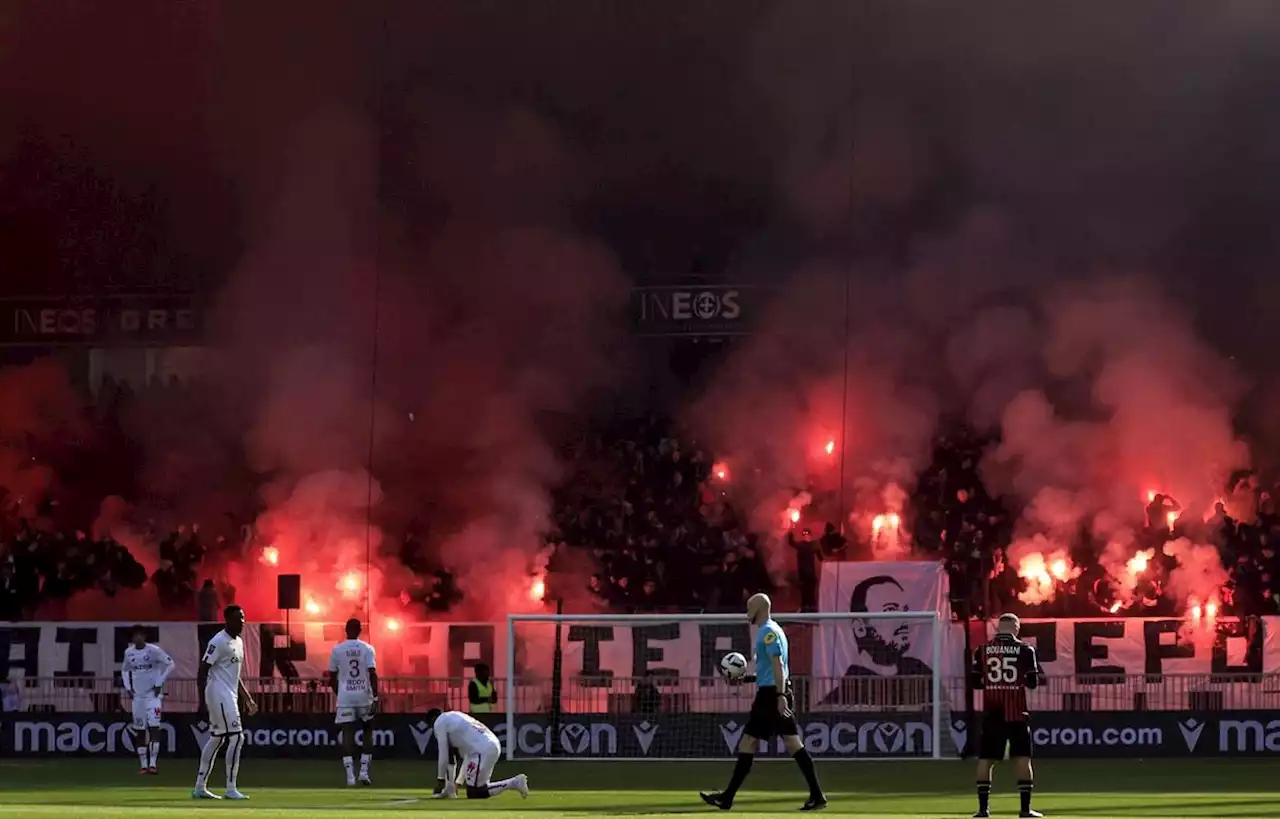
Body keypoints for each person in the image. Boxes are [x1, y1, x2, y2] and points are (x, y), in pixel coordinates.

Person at [700, 592, 825, 812]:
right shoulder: (774, 630)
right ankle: (817, 795)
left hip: (770, 696)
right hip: (775, 691)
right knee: (793, 744)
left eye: (749, 607)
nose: (747, 612)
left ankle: (727, 798)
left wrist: (779, 697)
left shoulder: (768, 632)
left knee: (749, 743)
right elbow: (770, 670)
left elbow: (778, 667)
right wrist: (747, 678)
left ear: (759, 608)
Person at [971, 613, 1044, 819]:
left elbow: (976, 683)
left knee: (986, 760)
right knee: (1022, 759)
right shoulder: (1025, 650)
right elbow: (1032, 683)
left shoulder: (982, 651)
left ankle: (983, 810)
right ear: (1016, 628)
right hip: (1016, 712)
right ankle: (1024, 809)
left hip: (992, 711)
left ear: (998, 628)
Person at [193, 605, 257, 801]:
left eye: (244, 618)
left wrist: (247, 698)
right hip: (218, 694)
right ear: (227, 620)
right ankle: (231, 788)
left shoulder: (238, 642)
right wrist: (201, 699)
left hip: (229, 694)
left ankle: (200, 787)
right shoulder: (218, 641)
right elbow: (203, 669)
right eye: (238, 618)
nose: (242, 622)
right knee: (237, 738)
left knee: (217, 738)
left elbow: (234, 675)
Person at [425, 708, 529, 800]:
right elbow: (464, 758)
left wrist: (441, 779)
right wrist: (455, 784)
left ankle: (514, 782)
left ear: (433, 720)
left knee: (476, 792)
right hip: (489, 746)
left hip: (482, 750)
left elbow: (443, 754)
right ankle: (514, 782)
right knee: (474, 790)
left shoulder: (439, 722)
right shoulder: (455, 717)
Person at [328, 617, 378, 787]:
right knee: (368, 730)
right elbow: (372, 673)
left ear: (346, 630)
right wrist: (376, 697)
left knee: (347, 734)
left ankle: (350, 776)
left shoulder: (337, 649)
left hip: (346, 696)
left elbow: (332, 677)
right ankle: (364, 771)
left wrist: (339, 692)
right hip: (364, 695)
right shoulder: (368, 648)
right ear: (360, 631)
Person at [121, 625, 174, 774]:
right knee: (139, 731)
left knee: (154, 728)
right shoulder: (129, 652)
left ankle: (153, 764)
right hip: (138, 697)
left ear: (144, 636)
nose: (137, 638)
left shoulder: (154, 651)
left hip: (153, 696)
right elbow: (124, 670)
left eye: (140, 635)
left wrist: (159, 683)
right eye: (135, 635)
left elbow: (171, 664)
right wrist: (128, 687)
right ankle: (143, 765)